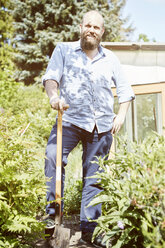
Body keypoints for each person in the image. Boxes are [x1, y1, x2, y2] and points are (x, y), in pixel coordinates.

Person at [42, 10, 135, 247]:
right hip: (71, 119)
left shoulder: (111, 58)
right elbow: (51, 78)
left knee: (94, 177)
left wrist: (121, 116)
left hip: (101, 125)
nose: (91, 30)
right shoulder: (63, 50)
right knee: (53, 155)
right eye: (88, 26)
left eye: (96, 27)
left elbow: (125, 90)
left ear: (102, 32)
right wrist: (54, 98)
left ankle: (90, 229)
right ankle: (53, 214)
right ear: (81, 27)